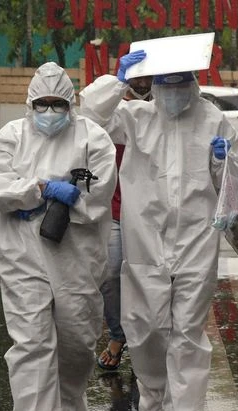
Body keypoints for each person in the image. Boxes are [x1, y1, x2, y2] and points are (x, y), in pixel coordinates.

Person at [79, 50, 238, 411]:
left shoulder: (213, 119)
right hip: (145, 238)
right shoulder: (135, 118)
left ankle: (188, 410)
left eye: (178, 84)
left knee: (188, 326)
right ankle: (154, 399)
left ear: (192, 83)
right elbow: (90, 118)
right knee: (147, 324)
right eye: (163, 85)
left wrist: (223, 162)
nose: (171, 94)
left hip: (196, 237)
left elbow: (232, 185)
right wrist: (117, 81)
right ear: (152, 87)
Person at [0, 62, 117, 411]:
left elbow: (99, 191)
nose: (50, 111)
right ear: (30, 103)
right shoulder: (9, 138)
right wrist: (37, 190)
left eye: (58, 104)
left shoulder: (94, 137)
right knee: (32, 340)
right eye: (43, 104)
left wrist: (68, 199)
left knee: (77, 338)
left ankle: (69, 402)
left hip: (76, 254)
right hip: (21, 252)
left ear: (71, 103)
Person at [97, 75, 152, 371]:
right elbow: (90, 114)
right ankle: (119, 335)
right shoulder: (113, 111)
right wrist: (116, 86)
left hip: (151, 213)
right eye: (137, 77)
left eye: (149, 78)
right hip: (116, 209)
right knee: (110, 274)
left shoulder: (163, 112)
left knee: (150, 279)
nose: (143, 83)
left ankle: (148, 343)